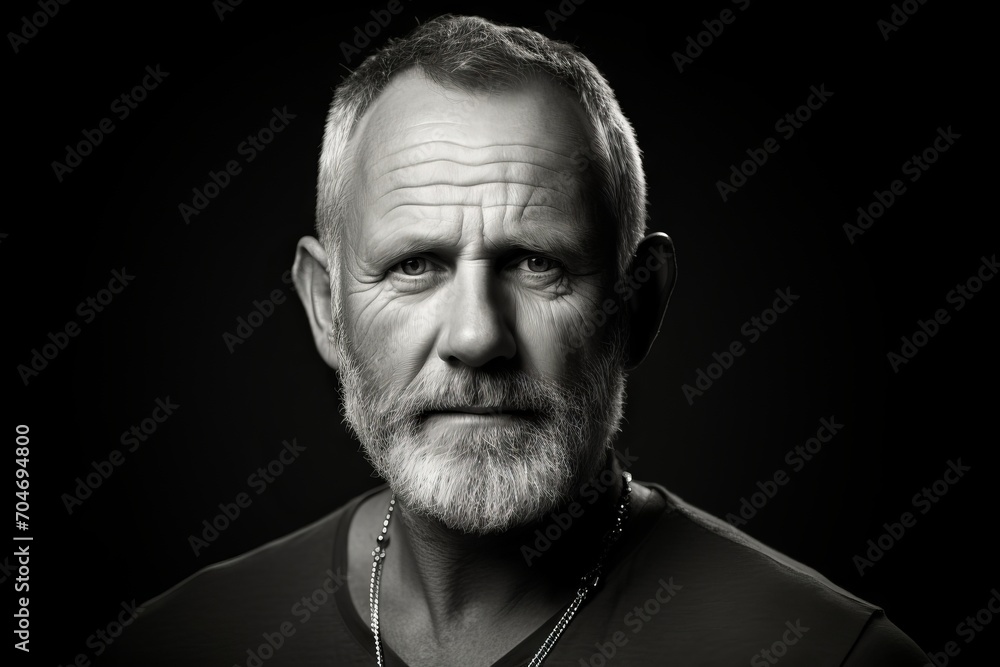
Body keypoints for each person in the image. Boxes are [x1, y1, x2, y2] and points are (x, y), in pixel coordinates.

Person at [106, 15, 927, 666]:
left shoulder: (827, 655)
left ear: (637, 305)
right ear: (326, 307)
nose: (476, 336)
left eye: (537, 264)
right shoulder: (178, 643)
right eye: (415, 264)